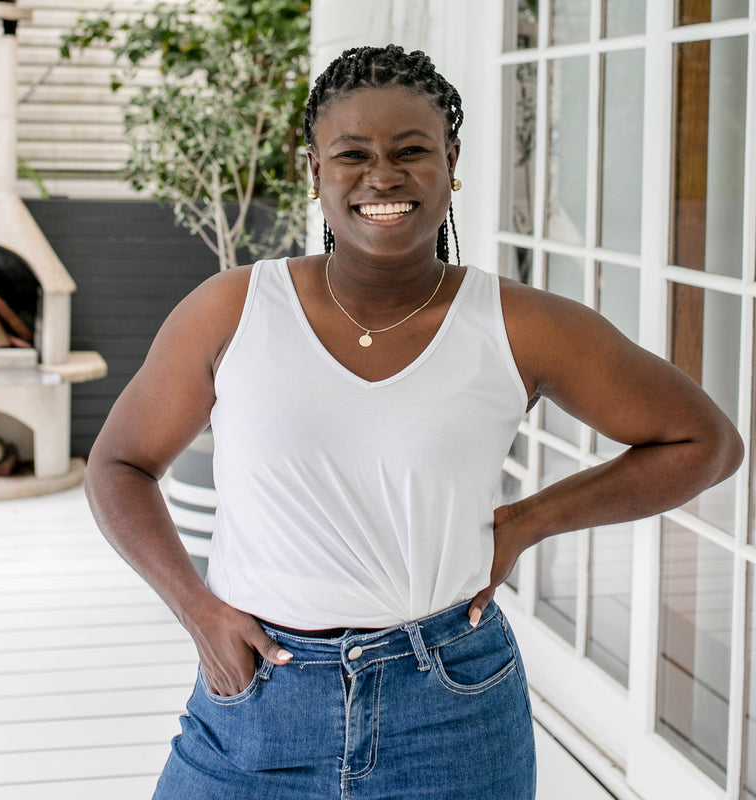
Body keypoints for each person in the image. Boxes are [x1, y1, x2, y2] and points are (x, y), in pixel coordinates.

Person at [85, 44, 743, 800]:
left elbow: (705, 442)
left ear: (451, 160)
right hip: (259, 702)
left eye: (411, 150)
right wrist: (197, 610)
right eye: (352, 154)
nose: (383, 176)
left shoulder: (520, 325)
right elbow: (119, 465)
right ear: (313, 171)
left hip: (450, 713)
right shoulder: (233, 309)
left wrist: (526, 521)